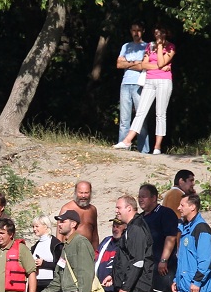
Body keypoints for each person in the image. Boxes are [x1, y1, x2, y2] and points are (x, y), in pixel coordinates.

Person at [115, 25, 175, 154]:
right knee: (140, 112)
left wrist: (160, 47)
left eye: (160, 33)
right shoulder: (150, 46)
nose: (158, 36)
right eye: (156, 33)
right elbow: (144, 64)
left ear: (165, 34)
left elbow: (161, 61)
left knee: (160, 114)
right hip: (149, 80)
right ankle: (127, 141)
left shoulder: (170, 47)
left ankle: (157, 147)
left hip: (164, 81)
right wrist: (160, 67)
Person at [137, 183, 182, 292]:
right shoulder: (141, 218)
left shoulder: (165, 213)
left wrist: (164, 259)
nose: (141, 199)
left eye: (144, 196)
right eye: (139, 196)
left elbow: (171, 237)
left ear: (154, 198)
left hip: (164, 267)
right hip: (146, 269)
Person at [114, 22, 151, 154]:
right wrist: (135, 63)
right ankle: (123, 146)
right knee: (124, 118)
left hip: (139, 84)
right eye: (134, 30)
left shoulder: (147, 46)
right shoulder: (126, 46)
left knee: (141, 117)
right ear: (130, 31)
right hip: (125, 83)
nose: (136, 33)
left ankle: (144, 150)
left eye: (139, 30)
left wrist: (127, 63)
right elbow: (119, 64)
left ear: (143, 31)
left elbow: (143, 66)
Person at [59, 180, 101, 248]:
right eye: (81, 193)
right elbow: (59, 235)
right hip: (71, 249)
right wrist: (59, 251)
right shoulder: (67, 209)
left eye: (86, 193)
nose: (83, 196)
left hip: (87, 249)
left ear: (90, 193)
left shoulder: (93, 210)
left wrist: (96, 251)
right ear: (75, 192)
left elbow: (95, 235)